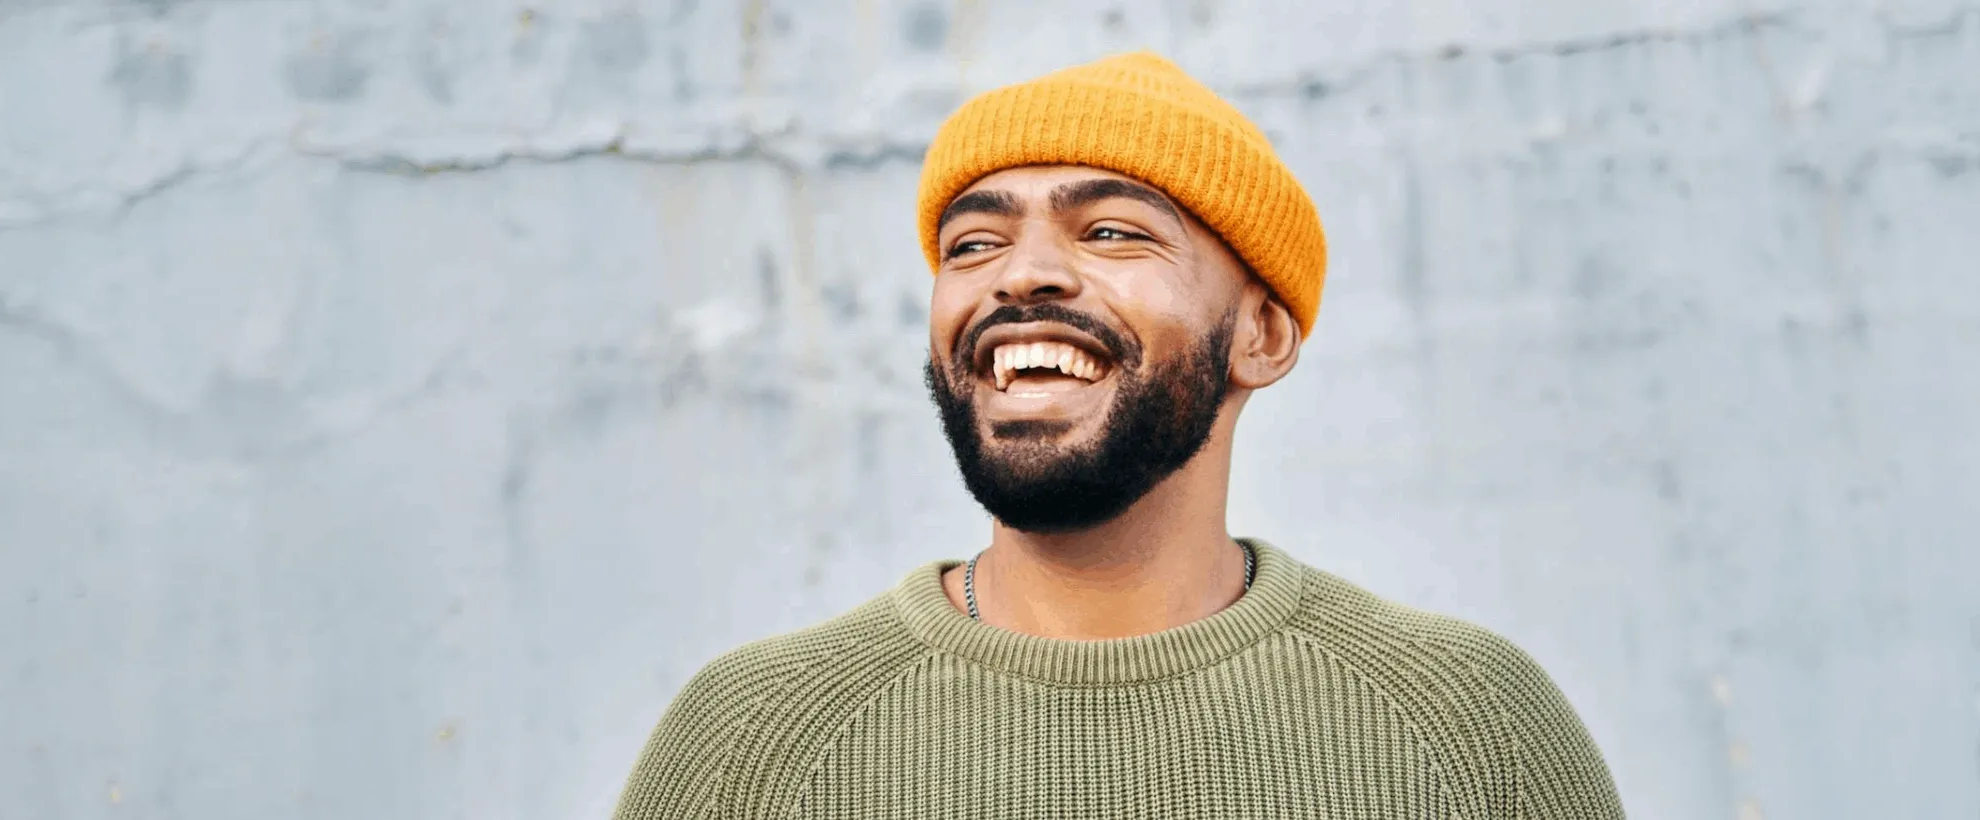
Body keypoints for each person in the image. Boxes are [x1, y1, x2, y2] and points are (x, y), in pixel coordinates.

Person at [611, 51, 1624, 819]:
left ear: (1261, 336)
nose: (1021, 277)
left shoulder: (1465, 722)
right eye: (974, 244)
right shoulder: (751, 740)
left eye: (1110, 231)